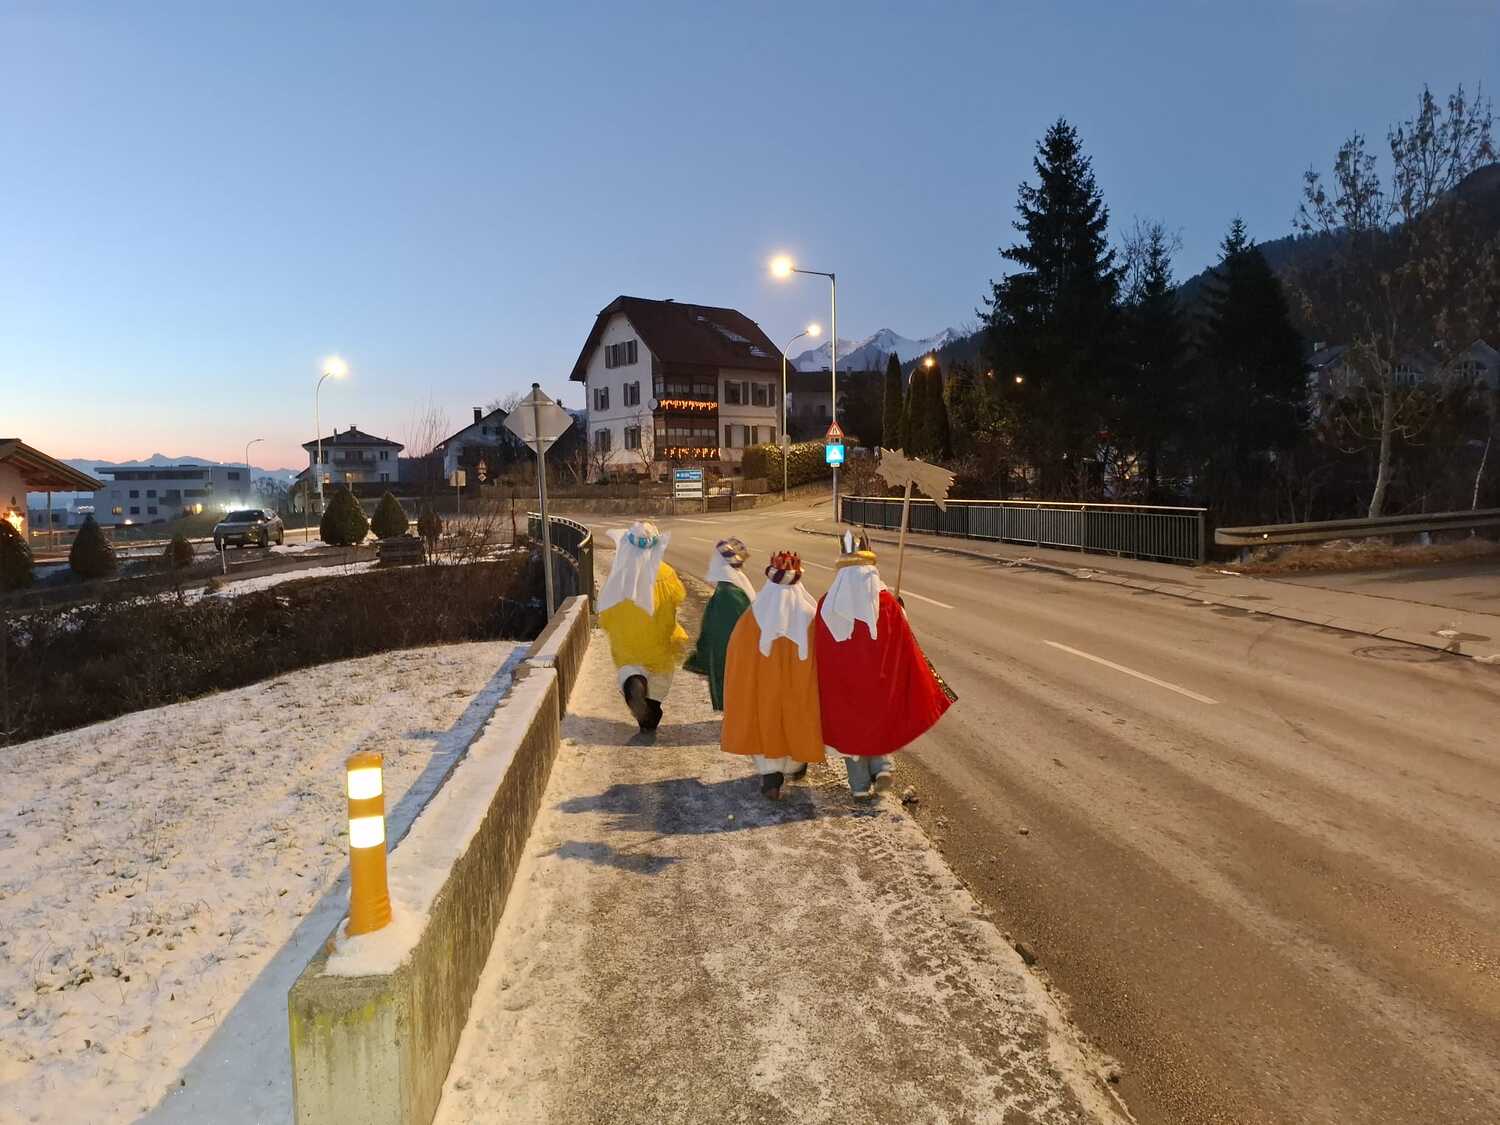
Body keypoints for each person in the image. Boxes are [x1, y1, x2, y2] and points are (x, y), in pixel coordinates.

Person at [814, 529, 955, 797]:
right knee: (879, 719)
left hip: (844, 686)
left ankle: (859, 786)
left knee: (851, 730)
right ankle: (882, 767)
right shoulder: (887, 603)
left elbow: (818, 647)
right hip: (879, 680)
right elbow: (904, 638)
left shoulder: (827, 605)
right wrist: (901, 609)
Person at [720, 550, 825, 799]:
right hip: (800, 692)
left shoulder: (752, 618)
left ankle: (771, 775)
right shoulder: (811, 618)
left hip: (764, 691)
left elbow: (737, 658)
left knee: (767, 721)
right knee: (797, 721)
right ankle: (795, 765)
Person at [596, 520, 688, 736]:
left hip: (627, 643)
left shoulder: (620, 574)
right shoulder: (666, 573)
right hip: (659, 642)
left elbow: (606, 609)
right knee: (658, 683)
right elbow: (679, 597)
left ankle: (634, 683)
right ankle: (651, 711)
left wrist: (611, 627)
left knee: (630, 670)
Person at [683, 537, 755, 711]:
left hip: (731, 658)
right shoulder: (735, 585)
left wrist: (706, 655)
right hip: (739, 655)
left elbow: (720, 632)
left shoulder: (727, 593)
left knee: (736, 699)